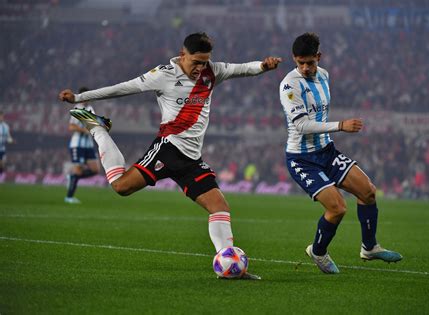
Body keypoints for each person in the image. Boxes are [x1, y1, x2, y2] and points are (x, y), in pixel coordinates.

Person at [59, 32, 281, 279]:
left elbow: (242, 69)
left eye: (204, 61)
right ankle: (97, 127)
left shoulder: (212, 71)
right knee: (121, 187)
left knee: (219, 206)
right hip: (168, 148)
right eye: (196, 61)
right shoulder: (163, 74)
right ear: (182, 54)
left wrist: (263, 66)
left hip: (192, 159)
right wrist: (79, 98)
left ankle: (229, 266)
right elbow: (123, 88)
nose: (200, 67)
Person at [279, 33, 402, 274]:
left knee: (368, 192)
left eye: (310, 62)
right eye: (300, 62)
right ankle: (318, 251)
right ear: (294, 59)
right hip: (302, 159)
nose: (305, 68)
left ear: (319, 57)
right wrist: (340, 125)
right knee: (337, 208)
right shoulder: (289, 85)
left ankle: (369, 247)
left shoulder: (324, 76)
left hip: (326, 151)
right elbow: (301, 125)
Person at [64, 87, 100, 204]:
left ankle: (73, 177)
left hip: (88, 144)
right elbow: (71, 127)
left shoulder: (90, 108)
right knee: (78, 170)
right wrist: (83, 130)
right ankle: (69, 197)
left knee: (95, 170)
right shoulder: (77, 108)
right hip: (77, 145)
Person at [0, 110, 14, 175]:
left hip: (2, 148)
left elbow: (8, 137)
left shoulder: (5, 126)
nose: (1, 117)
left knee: (2, 165)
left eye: (1, 116)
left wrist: (11, 141)